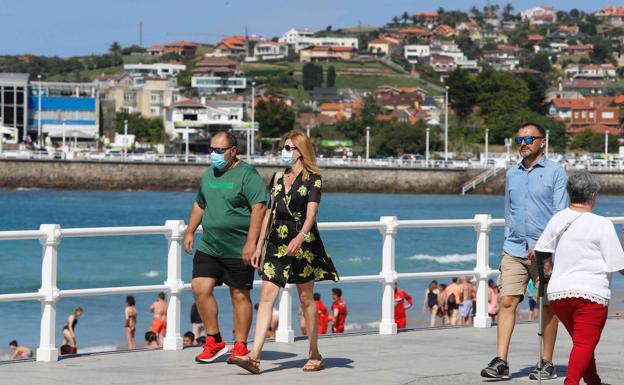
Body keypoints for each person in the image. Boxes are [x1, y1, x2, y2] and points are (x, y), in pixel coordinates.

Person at [231, 130, 339, 374]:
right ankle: (254, 356)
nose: (285, 152)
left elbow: (312, 214)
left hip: (303, 241)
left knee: (305, 298)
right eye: (285, 147)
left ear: (301, 151)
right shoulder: (278, 177)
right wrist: (259, 244)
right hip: (276, 241)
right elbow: (270, 212)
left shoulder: (313, 178)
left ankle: (314, 353)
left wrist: (300, 237)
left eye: (289, 148)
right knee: (267, 296)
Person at [481, 122, 569, 380]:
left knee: (547, 306)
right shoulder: (512, 174)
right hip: (514, 248)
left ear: (543, 141)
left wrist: (547, 247)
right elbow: (509, 211)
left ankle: (546, 362)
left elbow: (560, 215)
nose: (523, 143)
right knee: (507, 300)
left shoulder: (555, 173)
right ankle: (501, 361)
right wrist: (509, 237)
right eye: (519, 139)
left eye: (529, 138)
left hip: (545, 251)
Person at [184, 131, 267, 364]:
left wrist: (252, 243)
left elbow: (259, 207)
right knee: (200, 287)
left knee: (239, 294)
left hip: (239, 247)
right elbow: (200, 204)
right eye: (211, 149)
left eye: (219, 150)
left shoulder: (247, 174)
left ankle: (240, 345)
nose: (214, 154)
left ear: (233, 151)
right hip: (210, 245)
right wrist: (190, 231)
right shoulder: (209, 174)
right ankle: (214, 340)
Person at [534, 171, 624, 385]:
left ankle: (593, 381)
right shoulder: (602, 224)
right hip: (591, 295)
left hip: (559, 293)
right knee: (585, 344)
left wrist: (548, 273)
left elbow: (541, 251)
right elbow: (619, 266)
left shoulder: (558, 218)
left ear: (569, 193)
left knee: (582, 342)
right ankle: (571, 382)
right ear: (593, 194)